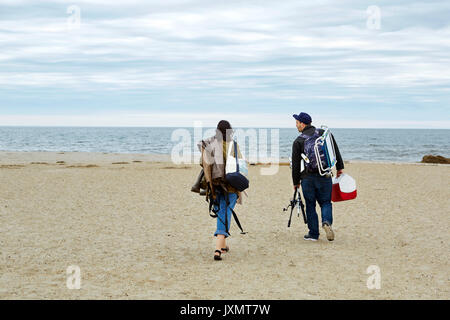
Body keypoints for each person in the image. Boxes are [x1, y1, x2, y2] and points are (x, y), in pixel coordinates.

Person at [291, 112, 344, 242]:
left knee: (310, 205)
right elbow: (335, 150)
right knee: (326, 202)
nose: (296, 125)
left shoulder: (298, 141)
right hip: (324, 175)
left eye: (297, 122)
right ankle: (326, 222)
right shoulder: (323, 134)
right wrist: (339, 167)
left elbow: (296, 164)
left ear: (303, 124)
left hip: (307, 178)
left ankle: (313, 234)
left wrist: (295, 182)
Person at [197, 120, 243, 260]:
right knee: (225, 212)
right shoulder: (234, 145)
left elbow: (202, 163)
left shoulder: (211, 145)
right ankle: (218, 249)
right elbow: (240, 165)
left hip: (216, 186)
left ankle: (222, 244)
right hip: (231, 186)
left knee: (223, 212)